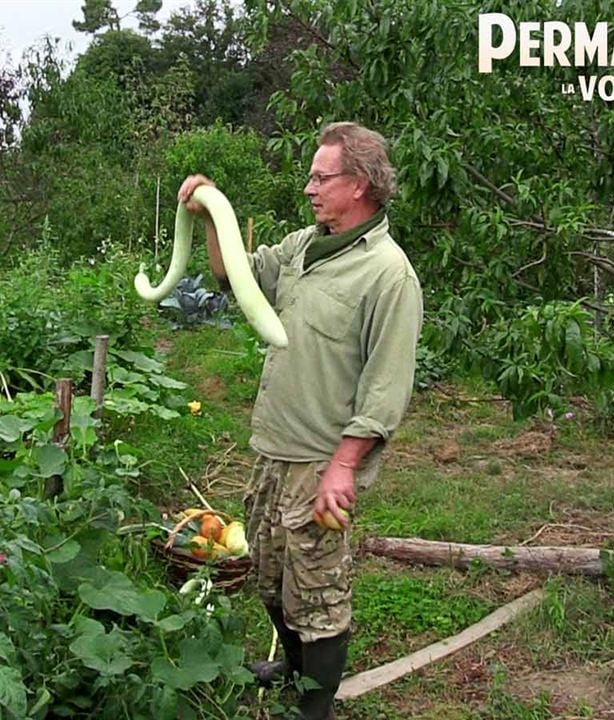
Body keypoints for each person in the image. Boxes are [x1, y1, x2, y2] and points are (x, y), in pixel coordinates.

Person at [177, 122, 423, 719]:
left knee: (317, 590)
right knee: (267, 571)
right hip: (273, 446)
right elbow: (234, 278)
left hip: (320, 458)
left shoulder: (389, 274)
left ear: (359, 183)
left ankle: (316, 709)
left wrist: (344, 466)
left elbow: (386, 387)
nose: (309, 186)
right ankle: (291, 668)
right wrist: (212, 214)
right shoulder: (303, 246)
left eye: (322, 176)